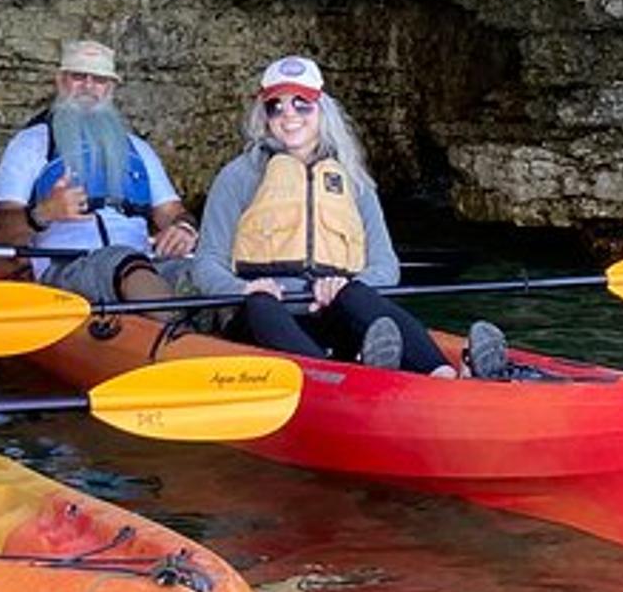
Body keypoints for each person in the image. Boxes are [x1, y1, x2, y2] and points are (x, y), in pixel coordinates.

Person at [191, 55, 507, 378]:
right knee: (261, 305)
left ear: (322, 109)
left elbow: (386, 266)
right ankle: (334, 379)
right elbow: (205, 263)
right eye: (276, 106)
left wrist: (343, 287)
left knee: (356, 296)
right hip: (262, 320)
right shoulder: (239, 177)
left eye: (302, 104)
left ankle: (444, 374)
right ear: (264, 115)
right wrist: (244, 289)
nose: (289, 116)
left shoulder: (353, 181)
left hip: (329, 316)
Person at [0, 38, 199, 306]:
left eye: (98, 80)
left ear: (110, 88)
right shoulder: (32, 144)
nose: (88, 86)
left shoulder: (139, 150)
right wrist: (43, 213)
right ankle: (178, 336)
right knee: (120, 261)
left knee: (202, 272)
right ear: (61, 81)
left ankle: (226, 333)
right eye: (78, 76)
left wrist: (184, 229)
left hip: (144, 268)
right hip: (67, 270)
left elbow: (173, 213)